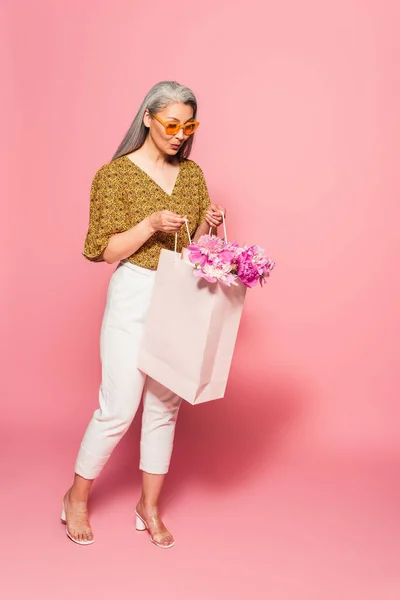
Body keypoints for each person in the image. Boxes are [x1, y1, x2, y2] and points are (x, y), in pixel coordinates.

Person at [61, 81, 226, 548]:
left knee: (164, 407)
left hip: (181, 292)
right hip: (135, 290)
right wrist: (149, 223)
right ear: (148, 118)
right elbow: (102, 249)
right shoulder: (113, 176)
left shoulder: (191, 175)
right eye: (171, 123)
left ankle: (148, 506)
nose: (179, 134)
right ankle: (76, 498)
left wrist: (206, 225)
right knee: (117, 408)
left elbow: (191, 247)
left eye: (188, 125)